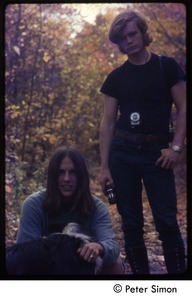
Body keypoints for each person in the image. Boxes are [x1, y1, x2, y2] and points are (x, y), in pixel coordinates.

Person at [99, 10, 186, 274]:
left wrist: (176, 148)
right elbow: (108, 123)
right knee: (131, 224)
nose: (129, 41)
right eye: (122, 39)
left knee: (167, 222)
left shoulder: (166, 66)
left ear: (143, 32)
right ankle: (141, 284)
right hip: (123, 153)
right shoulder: (116, 77)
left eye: (132, 34)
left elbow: (183, 108)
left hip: (157, 153)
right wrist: (105, 167)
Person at [16, 145, 124, 275]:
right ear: (53, 176)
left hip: (82, 267)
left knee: (116, 264)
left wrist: (99, 247)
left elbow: (111, 245)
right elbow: (23, 253)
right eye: (61, 172)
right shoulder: (34, 204)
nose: (67, 179)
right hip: (45, 267)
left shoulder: (96, 207)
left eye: (73, 172)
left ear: (81, 176)